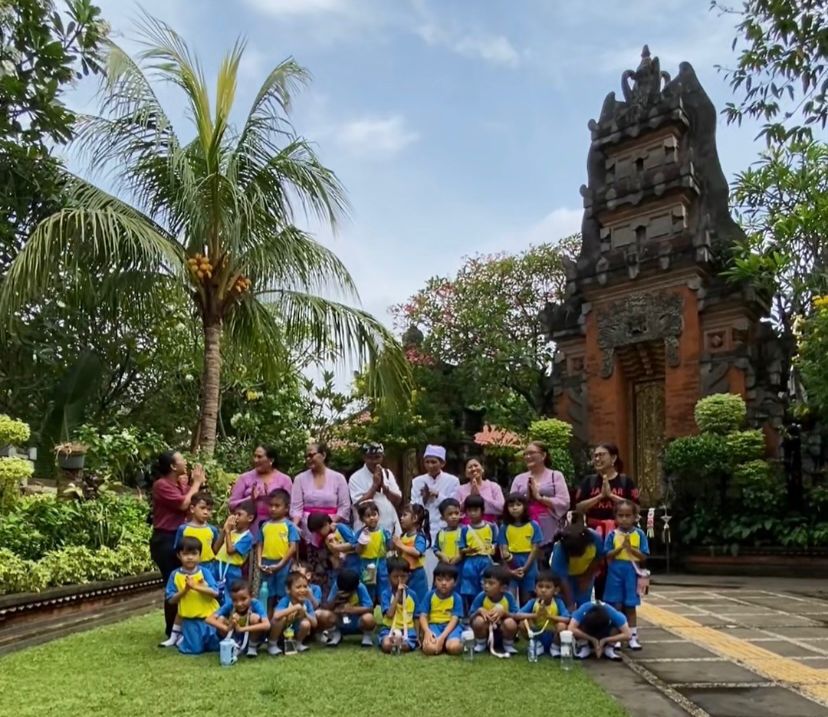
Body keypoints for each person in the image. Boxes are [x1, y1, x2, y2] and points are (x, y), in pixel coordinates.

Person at [150, 451, 204, 638]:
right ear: (173, 466)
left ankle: (183, 627)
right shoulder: (161, 485)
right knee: (173, 582)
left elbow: (192, 503)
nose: (185, 461)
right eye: (182, 459)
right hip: (165, 538)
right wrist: (196, 483)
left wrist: (193, 484)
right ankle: (171, 630)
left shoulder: (179, 484)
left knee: (185, 580)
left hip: (180, 536)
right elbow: (183, 504)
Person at [575, 443, 639, 599]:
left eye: (601, 455)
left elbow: (635, 507)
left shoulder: (625, 482)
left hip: (620, 533)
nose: (597, 459)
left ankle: (621, 612)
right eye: (595, 455)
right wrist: (599, 496)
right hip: (594, 533)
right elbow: (579, 507)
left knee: (619, 571)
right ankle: (600, 609)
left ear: (614, 458)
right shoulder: (588, 482)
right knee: (597, 573)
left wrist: (611, 496)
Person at [291, 442, 351, 584]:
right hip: (309, 531)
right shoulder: (300, 479)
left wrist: (328, 525)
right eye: (307, 456)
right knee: (312, 570)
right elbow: (296, 508)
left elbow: (344, 507)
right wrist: (295, 526)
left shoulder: (338, 478)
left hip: (331, 529)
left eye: (312, 455)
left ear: (323, 455)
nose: (309, 459)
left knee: (335, 567)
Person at [510, 441, 570, 561]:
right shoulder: (519, 479)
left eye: (531, 453)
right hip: (524, 528)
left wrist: (540, 498)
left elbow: (565, 502)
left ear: (543, 455)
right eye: (525, 454)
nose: (527, 457)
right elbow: (511, 504)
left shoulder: (555, 475)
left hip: (550, 530)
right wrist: (527, 496)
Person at [163, 536, 221, 654]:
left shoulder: (204, 572)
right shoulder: (175, 575)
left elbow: (215, 593)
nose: (190, 557)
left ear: (199, 555)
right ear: (179, 555)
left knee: (214, 646)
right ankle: (180, 639)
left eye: (194, 554)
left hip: (210, 618)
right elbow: (171, 600)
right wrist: (185, 590)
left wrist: (197, 587)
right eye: (185, 554)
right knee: (195, 650)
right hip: (190, 619)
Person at [604, 500, 648, 650]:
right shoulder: (612, 534)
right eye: (620, 515)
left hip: (632, 571)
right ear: (615, 517)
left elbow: (644, 556)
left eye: (628, 515)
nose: (624, 519)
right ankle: (617, 636)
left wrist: (631, 549)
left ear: (635, 517)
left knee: (630, 605)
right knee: (616, 605)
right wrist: (620, 548)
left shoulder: (639, 534)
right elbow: (607, 554)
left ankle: (633, 636)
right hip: (615, 571)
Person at [228, 445, 292, 535]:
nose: (255, 460)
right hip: (248, 529)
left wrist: (271, 499)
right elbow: (231, 505)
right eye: (255, 456)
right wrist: (250, 499)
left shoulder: (285, 480)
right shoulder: (244, 478)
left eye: (260, 457)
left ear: (271, 460)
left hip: (276, 528)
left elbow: (290, 507)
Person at [258, 489, 301, 613]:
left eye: (277, 506)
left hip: (283, 565)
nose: (273, 509)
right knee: (267, 594)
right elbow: (260, 545)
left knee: (283, 594)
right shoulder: (264, 525)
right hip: (266, 564)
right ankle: (267, 621)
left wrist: (281, 564)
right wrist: (260, 562)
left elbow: (293, 547)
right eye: (271, 505)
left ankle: (284, 620)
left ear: (286, 508)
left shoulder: (290, 526)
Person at [497, 493, 543, 604]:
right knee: (510, 597)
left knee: (528, 598)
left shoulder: (533, 525)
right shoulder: (504, 527)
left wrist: (525, 567)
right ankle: (511, 618)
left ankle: (525, 619)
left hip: (529, 563)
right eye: (511, 505)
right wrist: (510, 570)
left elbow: (535, 549)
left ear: (525, 507)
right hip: (511, 563)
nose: (515, 508)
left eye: (518, 504)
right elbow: (503, 550)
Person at [206, 580, 270, 658]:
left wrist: (242, 629)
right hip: (234, 635)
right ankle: (230, 645)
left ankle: (252, 647)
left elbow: (267, 625)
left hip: (251, 637)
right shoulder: (230, 604)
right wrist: (227, 628)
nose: (239, 604)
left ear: (251, 596)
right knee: (220, 619)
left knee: (254, 618)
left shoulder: (256, 604)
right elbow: (208, 619)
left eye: (243, 599)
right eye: (235, 600)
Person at [550, 519, 605, 609]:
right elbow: (562, 579)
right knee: (566, 603)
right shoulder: (559, 551)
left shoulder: (595, 538)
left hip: (586, 570)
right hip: (567, 576)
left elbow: (598, 557)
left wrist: (587, 577)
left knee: (584, 604)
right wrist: (570, 603)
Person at [349, 442, 402, 536]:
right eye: (370, 457)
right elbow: (358, 505)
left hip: (390, 525)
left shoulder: (387, 473)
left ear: (382, 457)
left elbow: (398, 500)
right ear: (364, 458)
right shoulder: (355, 477)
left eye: (377, 457)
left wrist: (384, 488)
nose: (374, 461)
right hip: (366, 529)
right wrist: (374, 486)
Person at [411, 445, 460, 543]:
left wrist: (437, 494)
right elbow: (413, 506)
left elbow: (454, 505)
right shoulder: (417, 481)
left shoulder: (452, 480)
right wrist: (424, 498)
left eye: (433, 462)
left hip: (445, 526)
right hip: (424, 527)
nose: (430, 465)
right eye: (427, 462)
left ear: (442, 463)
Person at [315, 568, 376, 647]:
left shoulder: (360, 587)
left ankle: (367, 637)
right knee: (321, 614)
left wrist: (352, 610)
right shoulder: (337, 585)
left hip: (358, 621)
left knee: (369, 618)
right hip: (340, 620)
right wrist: (336, 600)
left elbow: (370, 608)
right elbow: (328, 607)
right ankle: (336, 634)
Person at [515, 571, 570, 657]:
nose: (543, 590)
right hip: (536, 634)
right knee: (523, 623)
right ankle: (536, 644)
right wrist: (535, 615)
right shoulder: (532, 602)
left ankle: (555, 647)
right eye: (540, 586)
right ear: (535, 589)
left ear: (556, 590)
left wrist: (549, 616)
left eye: (548, 587)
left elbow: (567, 619)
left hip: (552, 634)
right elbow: (518, 615)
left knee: (562, 625)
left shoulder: (558, 603)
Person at [469, 565, 519, 655]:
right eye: (484, 582)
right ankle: (481, 644)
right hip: (486, 631)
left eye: (491, 583)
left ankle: (508, 645)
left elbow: (517, 617)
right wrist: (479, 611)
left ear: (503, 588)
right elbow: (470, 618)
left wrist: (504, 613)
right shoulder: (481, 596)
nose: (486, 586)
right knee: (478, 621)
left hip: (502, 631)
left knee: (510, 623)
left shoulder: (508, 597)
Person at [417, 562, 464, 656]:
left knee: (454, 648)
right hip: (434, 626)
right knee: (429, 649)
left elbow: (454, 620)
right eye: (439, 580)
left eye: (448, 580)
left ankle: (446, 642)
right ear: (434, 581)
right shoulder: (430, 595)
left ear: (455, 582)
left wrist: (442, 637)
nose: (443, 583)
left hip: (451, 628)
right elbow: (422, 616)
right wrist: (427, 631)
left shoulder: (456, 598)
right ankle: (440, 643)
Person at [458, 494, 496, 610]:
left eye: (475, 510)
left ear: (482, 511)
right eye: (469, 510)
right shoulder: (465, 529)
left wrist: (493, 548)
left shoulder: (491, 527)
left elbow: (495, 542)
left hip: (486, 560)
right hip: (470, 561)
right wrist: (467, 550)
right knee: (469, 588)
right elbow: (461, 547)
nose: (472, 513)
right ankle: (471, 611)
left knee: (486, 585)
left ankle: (487, 608)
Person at [214, 500, 256, 602]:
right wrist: (225, 531)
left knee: (230, 598)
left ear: (250, 518)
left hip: (232, 570)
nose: (236, 517)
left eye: (239, 514)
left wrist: (228, 532)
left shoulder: (248, 537)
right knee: (215, 596)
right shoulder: (231, 532)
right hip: (217, 566)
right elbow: (215, 549)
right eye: (235, 514)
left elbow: (230, 550)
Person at [268, 571, 317, 655]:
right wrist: (295, 608)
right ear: (288, 590)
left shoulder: (307, 602)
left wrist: (305, 614)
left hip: (295, 633)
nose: (302, 590)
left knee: (306, 623)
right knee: (280, 619)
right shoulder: (285, 600)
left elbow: (315, 623)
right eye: (298, 587)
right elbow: (276, 616)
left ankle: (298, 643)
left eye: (305, 586)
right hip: (281, 633)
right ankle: (272, 644)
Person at [173, 492, 219, 580]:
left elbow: (216, 549)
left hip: (210, 567)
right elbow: (177, 550)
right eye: (202, 508)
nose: (206, 512)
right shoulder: (183, 529)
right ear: (192, 509)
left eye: (209, 509)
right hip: (189, 568)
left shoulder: (212, 530)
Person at [354, 500, 391, 603]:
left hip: (381, 563)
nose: (372, 518)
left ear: (378, 515)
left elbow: (389, 547)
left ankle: (385, 609)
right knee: (368, 587)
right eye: (368, 516)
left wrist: (392, 540)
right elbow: (357, 550)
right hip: (366, 564)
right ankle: (368, 609)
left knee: (383, 586)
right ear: (362, 519)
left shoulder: (384, 532)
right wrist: (361, 542)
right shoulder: (361, 533)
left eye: (374, 514)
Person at [378, 558, 418, 654]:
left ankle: (399, 645)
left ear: (408, 576)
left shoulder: (412, 595)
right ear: (389, 577)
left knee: (407, 644)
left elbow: (416, 617)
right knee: (386, 644)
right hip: (389, 628)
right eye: (395, 577)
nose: (400, 580)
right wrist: (397, 595)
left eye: (403, 576)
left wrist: (418, 635)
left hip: (408, 629)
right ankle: (395, 645)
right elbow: (390, 614)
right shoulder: (385, 594)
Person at [392, 503, 429, 602]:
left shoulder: (419, 537)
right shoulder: (403, 536)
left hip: (417, 574)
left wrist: (401, 545)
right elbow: (401, 553)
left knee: (419, 599)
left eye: (405, 515)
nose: (401, 518)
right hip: (405, 573)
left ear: (415, 518)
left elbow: (417, 552)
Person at [307, 512, 360, 576]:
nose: (318, 534)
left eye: (318, 531)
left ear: (326, 524)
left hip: (352, 562)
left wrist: (338, 547)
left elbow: (355, 544)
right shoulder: (325, 538)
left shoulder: (341, 528)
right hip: (339, 567)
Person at [454, 457, 504, 524]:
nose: (473, 469)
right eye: (470, 467)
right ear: (466, 473)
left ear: (482, 469)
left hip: (489, 526)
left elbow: (502, 508)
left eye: (476, 465)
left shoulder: (493, 486)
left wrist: (480, 496)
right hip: (466, 527)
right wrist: (469, 498)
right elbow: (454, 510)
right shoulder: (460, 489)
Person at [433, 498, 463, 567]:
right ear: (442, 517)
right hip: (444, 566)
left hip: (461, 566)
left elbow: (467, 548)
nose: (454, 516)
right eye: (450, 514)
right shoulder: (440, 533)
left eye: (456, 513)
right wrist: (441, 555)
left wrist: (459, 556)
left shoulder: (464, 531)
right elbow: (435, 548)